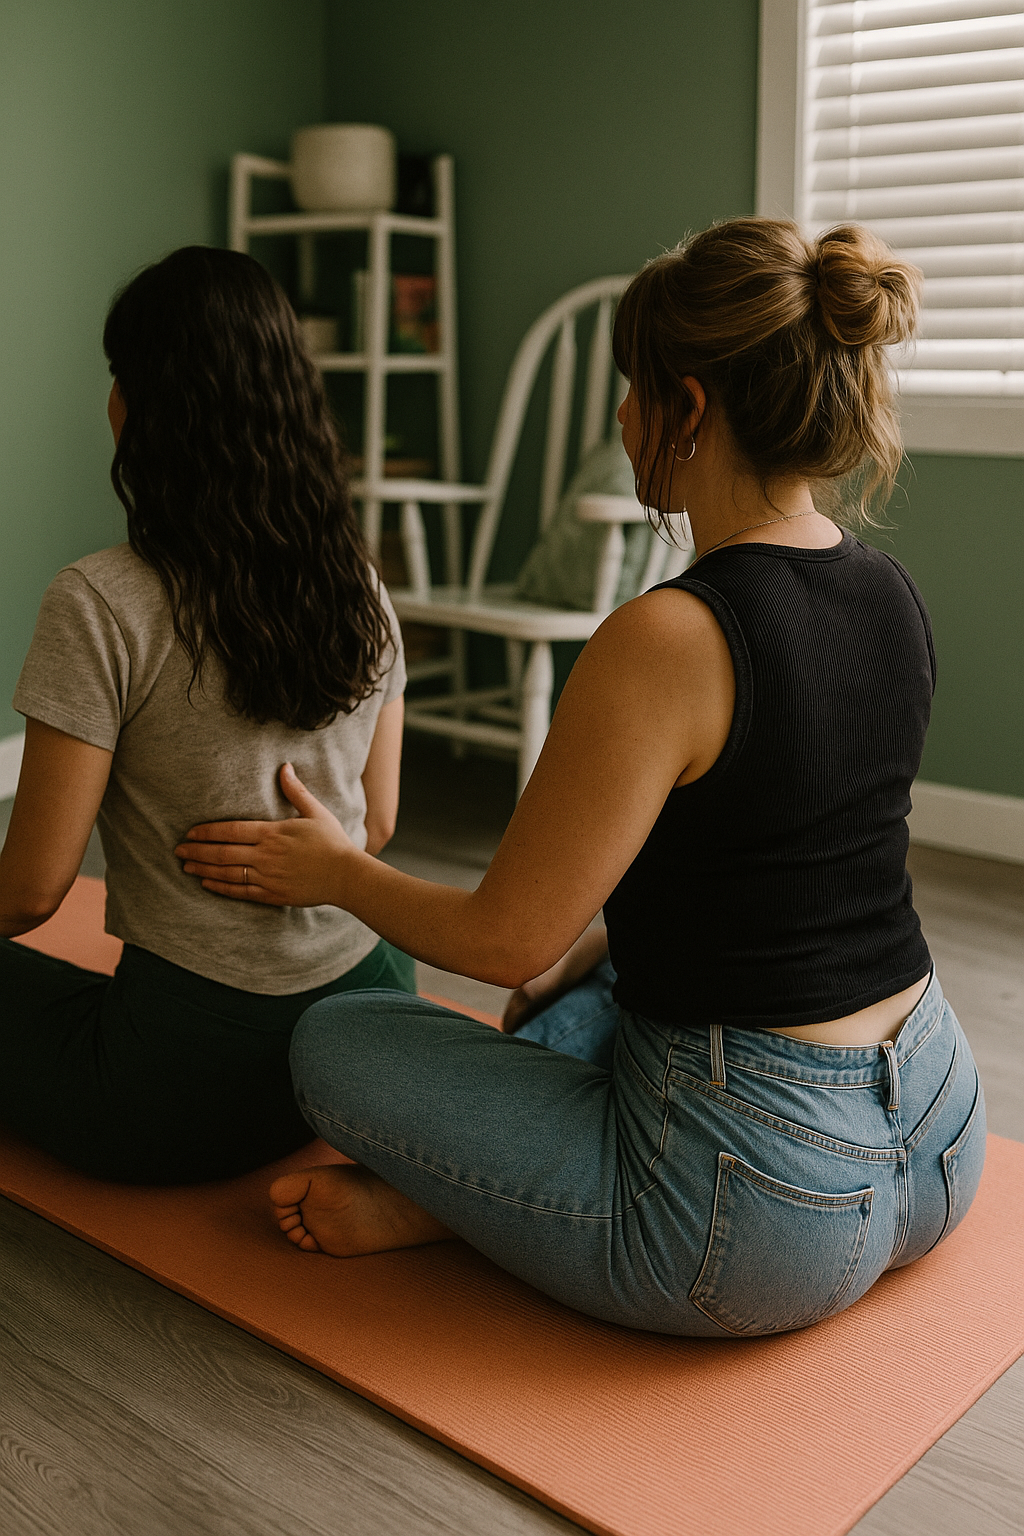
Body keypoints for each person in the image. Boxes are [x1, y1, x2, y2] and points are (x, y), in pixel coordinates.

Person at [177, 220, 987, 1336]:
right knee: (594, 972)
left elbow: (505, 943)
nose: (619, 418)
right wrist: (600, 947)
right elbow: (780, 849)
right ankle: (497, 1194)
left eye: (631, 391)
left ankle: (463, 1202)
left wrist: (335, 871)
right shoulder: (887, 589)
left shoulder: (665, 635)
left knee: (337, 1041)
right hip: (941, 1132)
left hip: (760, 1214)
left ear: (686, 409)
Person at [0, 246, 414, 1185]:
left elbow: (29, 892)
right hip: (362, 1040)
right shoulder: (362, 586)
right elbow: (377, 826)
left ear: (142, 410)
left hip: (184, 1095)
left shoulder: (101, 601)